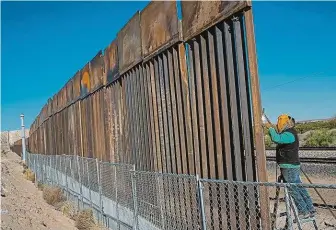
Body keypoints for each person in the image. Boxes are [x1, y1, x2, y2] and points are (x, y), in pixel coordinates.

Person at [266, 114, 316, 219]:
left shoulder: (289, 134)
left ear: (283, 123)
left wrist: (270, 128)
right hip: (291, 166)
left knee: (293, 188)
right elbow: (278, 138)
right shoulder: (289, 133)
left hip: (289, 166)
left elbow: (276, 138)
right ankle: (310, 209)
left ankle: (303, 211)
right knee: (299, 187)